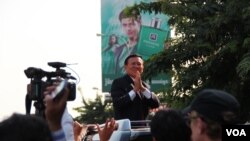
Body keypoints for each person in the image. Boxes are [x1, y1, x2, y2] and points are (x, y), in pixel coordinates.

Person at [110, 54, 160, 122]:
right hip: (126, 128)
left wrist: (142, 88)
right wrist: (135, 90)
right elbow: (118, 103)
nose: (136, 66)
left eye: (139, 64)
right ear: (125, 67)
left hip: (143, 128)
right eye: (133, 64)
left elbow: (155, 104)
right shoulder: (118, 82)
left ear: (142, 67)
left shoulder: (145, 86)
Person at [116, 8, 142, 74]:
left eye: (131, 24)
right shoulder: (119, 49)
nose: (128, 28)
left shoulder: (147, 45)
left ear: (139, 23)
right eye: (124, 25)